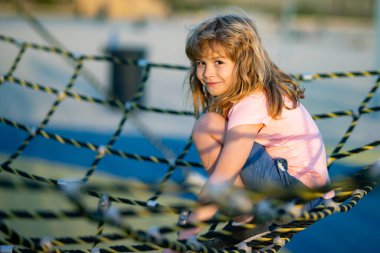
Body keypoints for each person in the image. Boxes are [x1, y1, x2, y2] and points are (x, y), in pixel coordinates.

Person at [165, 13, 333, 251]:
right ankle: (248, 218)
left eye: (219, 62)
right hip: (304, 191)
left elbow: (222, 179)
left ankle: (248, 218)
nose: (206, 73)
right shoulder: (254, 93)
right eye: (201, 63)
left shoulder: (251, 103)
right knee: (209, 123)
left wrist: (183, 240)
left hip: (294, 197)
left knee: (207, 125)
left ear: (243, 62)